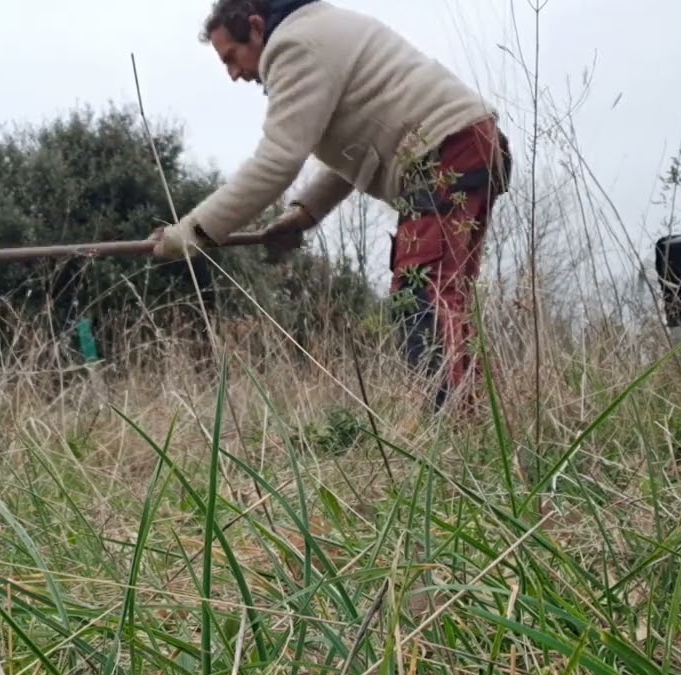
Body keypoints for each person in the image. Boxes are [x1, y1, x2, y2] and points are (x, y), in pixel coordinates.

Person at [149, 0, 512, 413]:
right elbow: (360, 151)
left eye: (232, 57)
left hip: (445, 151)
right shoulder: (315, 32)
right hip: (464, 144)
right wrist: (305, 214)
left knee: (421, 296)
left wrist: (190, 234)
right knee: (443, 296)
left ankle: (452, 429)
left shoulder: (293, 44)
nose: (234, 74)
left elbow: (277, 161)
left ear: (255, 26)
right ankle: (471, 425)